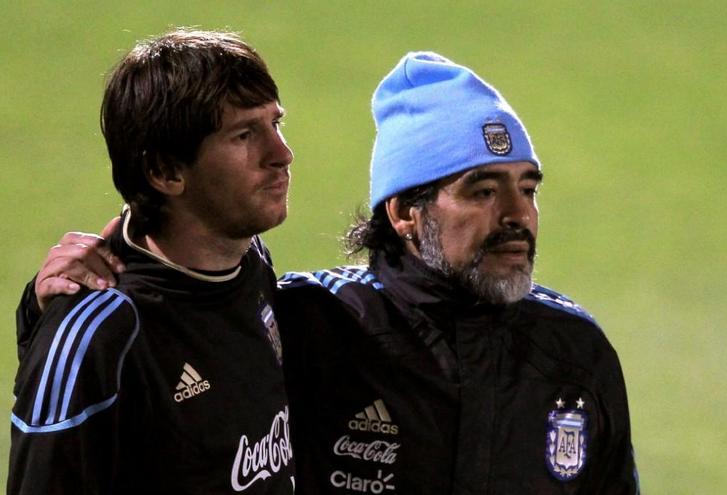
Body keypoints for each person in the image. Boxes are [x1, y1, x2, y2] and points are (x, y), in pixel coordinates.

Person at [21, 52, 640, 494]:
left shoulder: (574, 352)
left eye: (527, 188)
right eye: (481, 191)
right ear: (403, 211)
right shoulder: (316, 323)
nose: (516, 216)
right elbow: (171, 303)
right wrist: (60, 308)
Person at [8, 29, 297, 494]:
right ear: (165, 171)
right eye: (244, 134)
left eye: (276, 124)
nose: (282, 155)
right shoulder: (101, 332)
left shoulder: (249, 263)